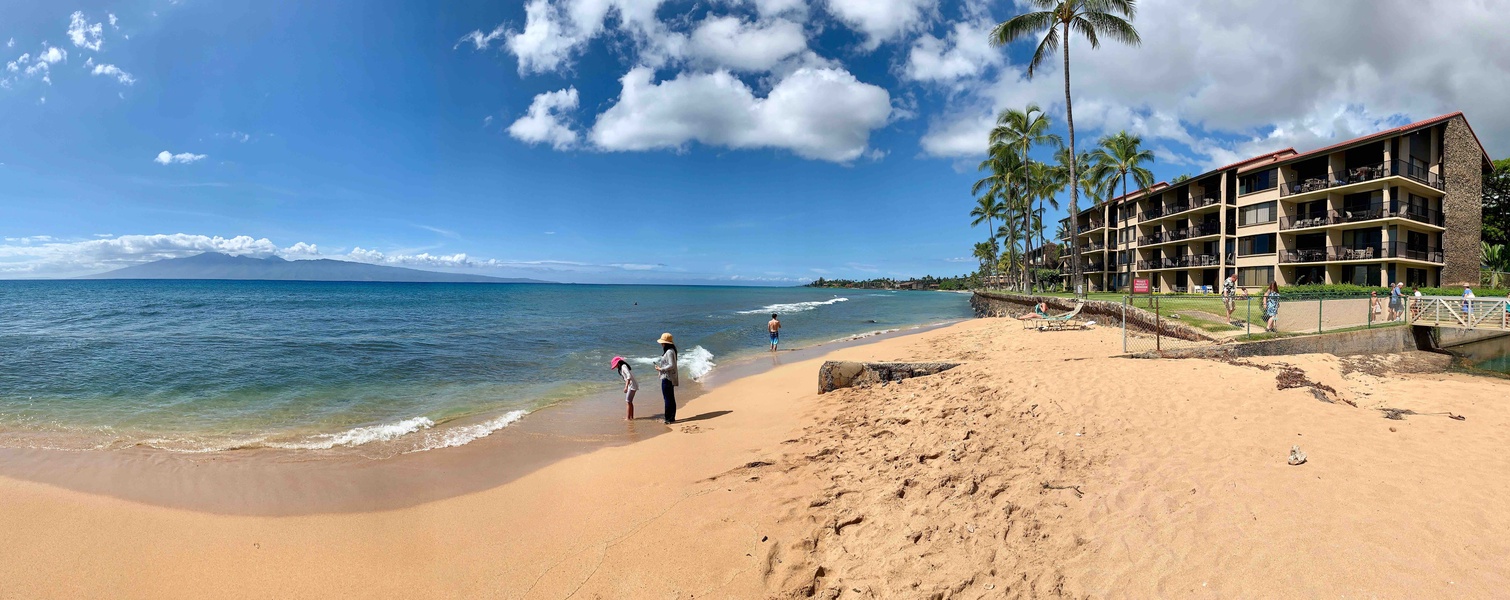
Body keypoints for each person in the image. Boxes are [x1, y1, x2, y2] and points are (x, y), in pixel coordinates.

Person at [653, 333, 679, 424]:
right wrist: (660, 371)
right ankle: (671, 417)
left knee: (668, 398)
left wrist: (661, 369)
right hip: (668, 377)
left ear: (665, 343)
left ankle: (668, 419)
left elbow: (671, 365)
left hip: (668, 378)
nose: (661, 344)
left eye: (662, 343)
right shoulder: (671, 350)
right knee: (670, 398)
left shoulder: (669, 352)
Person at [610, 356, 637, 421]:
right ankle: (631, 417)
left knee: (628, 401)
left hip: (632, 385)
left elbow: (628, 376)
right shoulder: (622, 367)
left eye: (615, 365)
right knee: (630, 401)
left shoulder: (623, 366)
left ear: (618, 363)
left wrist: (626, 386)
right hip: (633, 385)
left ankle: (628, 418)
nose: (615, 367)